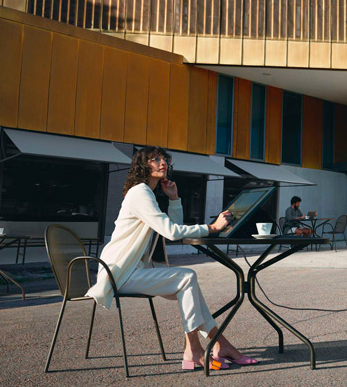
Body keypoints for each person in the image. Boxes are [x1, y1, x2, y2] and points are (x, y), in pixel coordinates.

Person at [85, 146, 257, 371]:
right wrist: (212, 227)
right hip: (120, 273)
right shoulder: (140, 192)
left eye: (164, 159)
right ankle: (198, 349)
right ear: (143, 165)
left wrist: (174, 199)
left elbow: (171, 230)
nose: (162, 162)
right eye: (155, 159)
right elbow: (172, 232)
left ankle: (218, 345)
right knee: (187, 278)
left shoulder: (148, 193)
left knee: (189, 285)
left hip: (134, 271)